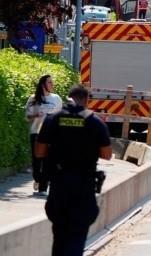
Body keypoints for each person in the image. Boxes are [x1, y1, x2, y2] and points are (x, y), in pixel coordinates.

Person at [36, 84, 112, 256]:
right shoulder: (94, 122)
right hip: (83, 186)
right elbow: (107, 154)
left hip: (59, 184)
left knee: (60, 234)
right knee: (77, 234)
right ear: (86, 100)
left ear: (69, 98)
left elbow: (39, 152)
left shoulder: (52, 119)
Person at [24, 74, 62, 194]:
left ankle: (43, 187)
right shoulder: (33, 99)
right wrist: (36, 115)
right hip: (36, 132)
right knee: (37, 160)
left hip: (52, 134)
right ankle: (38, 179)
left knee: (48, 160)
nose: (52, 84)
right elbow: (27, 117)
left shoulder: (56, 99)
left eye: (52, 82)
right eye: (49, 82)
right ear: (43, 85)